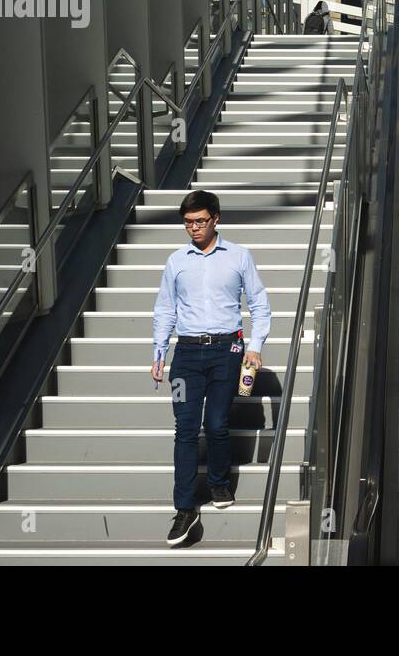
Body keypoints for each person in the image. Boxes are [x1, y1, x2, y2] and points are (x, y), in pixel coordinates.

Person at [152, 190, 271, 547]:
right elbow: (165, 308)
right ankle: (185, 508)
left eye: (200, 221)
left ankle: (219, 482)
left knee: (216, 421)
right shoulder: (176, 261)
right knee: (184, 428)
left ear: (216, 218)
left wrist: (254, 347)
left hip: (228, 350)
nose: (194, 228)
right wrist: (159, 351)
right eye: (188, 223)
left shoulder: (238, 256)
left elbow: (260, 304)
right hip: (185, 356)